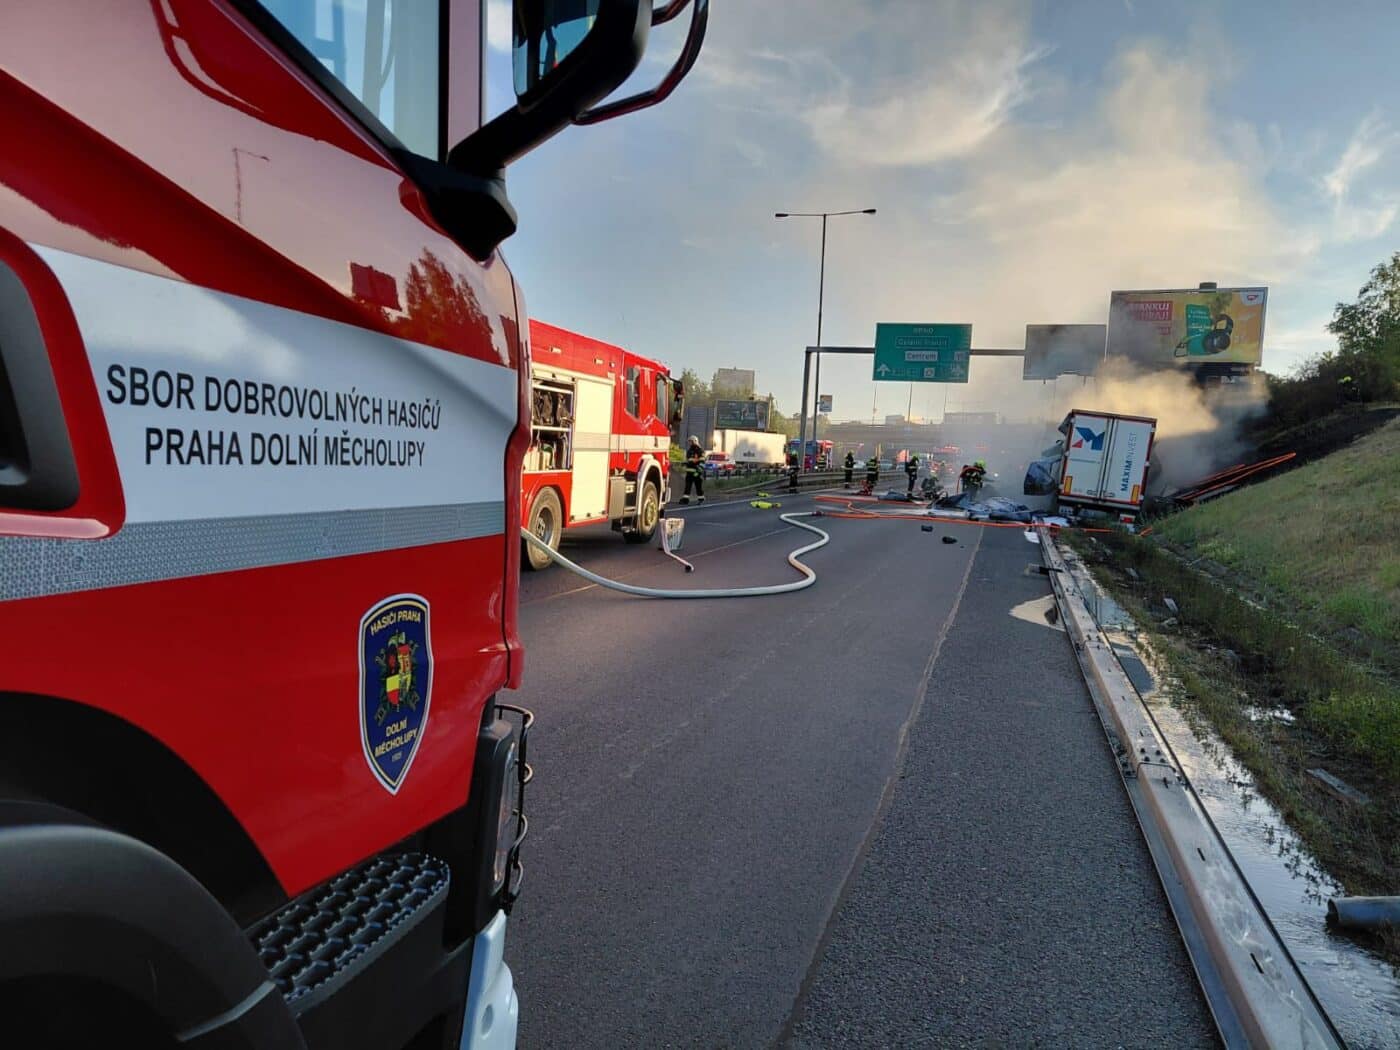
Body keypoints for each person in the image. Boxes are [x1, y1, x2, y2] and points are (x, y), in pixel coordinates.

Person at [680, 436, 705, 504]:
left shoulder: (700, 450)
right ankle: (685, 499)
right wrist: (685, 463)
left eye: (691, 441)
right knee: (687, 486)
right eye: (689, 441)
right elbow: (689, 460)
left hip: (696, 472)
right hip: (689, 472)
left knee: (698, 487)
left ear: (695, 441)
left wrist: (698, 471)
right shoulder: (689, 450)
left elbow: (702, 462)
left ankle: (701, 499)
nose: (690, 443)